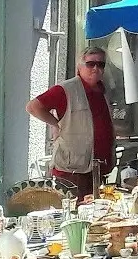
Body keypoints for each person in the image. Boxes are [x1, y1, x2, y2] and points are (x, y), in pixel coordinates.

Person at [26, 47, 116, 200]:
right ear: (79, 67)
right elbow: (33, 107)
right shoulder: (66, 89)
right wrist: (56, 124)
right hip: (72, 172)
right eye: (90, 64)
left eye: (101, 64)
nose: (96, 68)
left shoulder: (102, 90)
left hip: (96, 169)